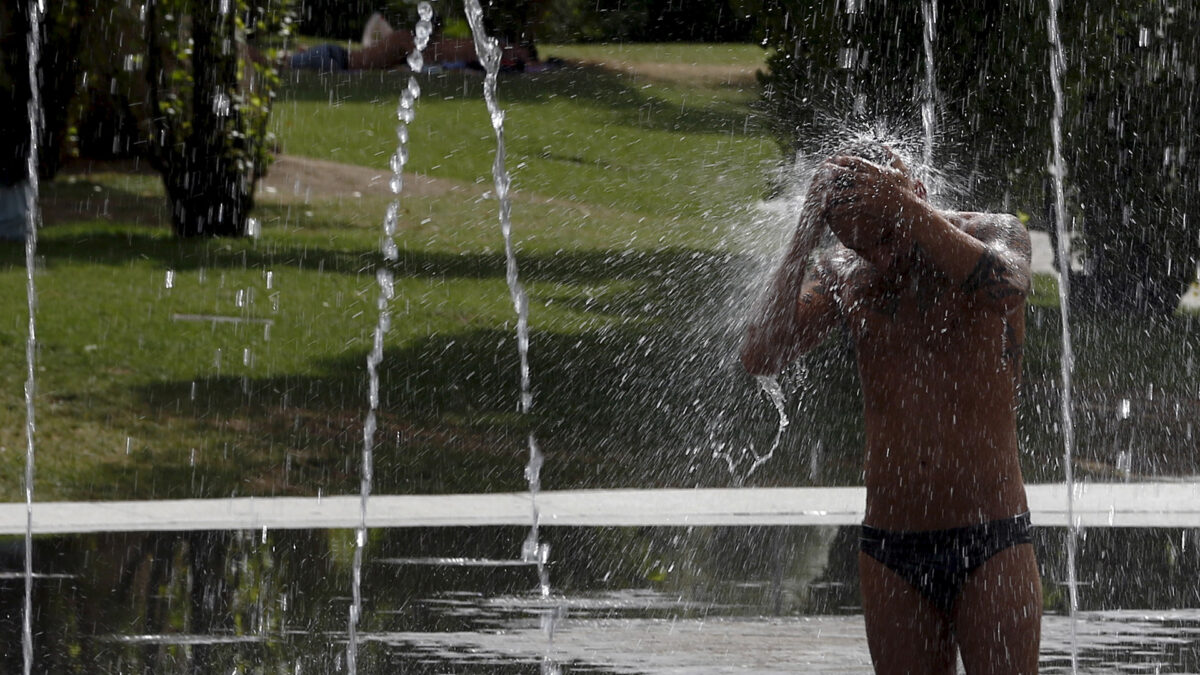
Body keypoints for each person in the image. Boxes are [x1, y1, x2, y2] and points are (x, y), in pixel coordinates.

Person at [740, 141, 1041, 674]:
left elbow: (1009, 286)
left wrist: (908, 210)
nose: (878, 256)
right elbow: (762, 354)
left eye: (884, 235)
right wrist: (805, 234)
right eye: (859, 243)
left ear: (916, 196)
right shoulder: (843, 273)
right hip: (891, 546)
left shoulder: (993, 232)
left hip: (991, 535)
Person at [288, 13, 535, 73]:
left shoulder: (406, 41)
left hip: (335, 56)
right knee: (274, 66)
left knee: (279, 65)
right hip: (335, 59)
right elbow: (426, 67)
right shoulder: (406, 40)